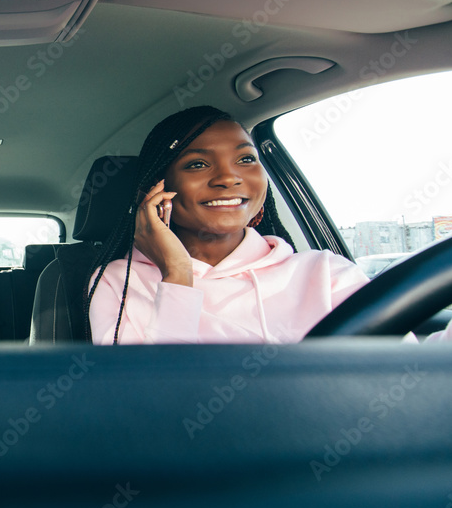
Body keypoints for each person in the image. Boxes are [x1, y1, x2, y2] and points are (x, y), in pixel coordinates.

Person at [87, 106, 372, 345]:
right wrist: (177, 274)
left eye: (246, 159)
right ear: (153, 191)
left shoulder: (328, 273)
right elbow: (147, 397)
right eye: (197, 164)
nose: (228, 177)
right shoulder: (118, 281)